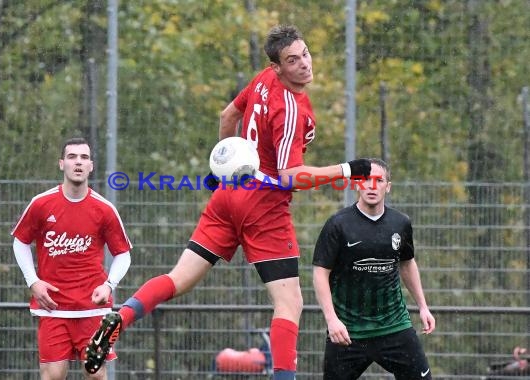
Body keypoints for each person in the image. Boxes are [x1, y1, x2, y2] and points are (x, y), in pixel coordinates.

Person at [84, 24, 371, 379]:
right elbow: (289, 175)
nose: (304, 64)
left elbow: (227, 116)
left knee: (179, 279)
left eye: (306, 54)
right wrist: (348, 169)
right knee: (289, 303)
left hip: (229, 195)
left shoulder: (264, 78)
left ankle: (122, 316)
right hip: (263, 206)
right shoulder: (290, 107)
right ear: (279, 67)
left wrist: (222, 168)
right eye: (292, 60)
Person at [11, 137, 132, 380]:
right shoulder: (42, 204)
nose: (78, 162)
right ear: (61, 164)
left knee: (96, 375)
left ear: (91, 166)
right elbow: (20, 241)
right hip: (53, 307)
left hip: (92, 308)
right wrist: (32, 281)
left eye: (84, 157)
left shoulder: (104, 209)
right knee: (53, 375)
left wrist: (108, 286)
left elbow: (123, 254)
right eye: (72, 157)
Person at [312, 158, 436, 380]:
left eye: (379, 180)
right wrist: (332, 320)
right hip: (348, 333)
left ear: (387, 186)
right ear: (357, 184)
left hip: (395, 327)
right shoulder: (338, 224)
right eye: (366, 180)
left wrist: (423, 307)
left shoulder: (400, 223)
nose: (372, 186)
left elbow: (407, 263)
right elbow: (320, 273)